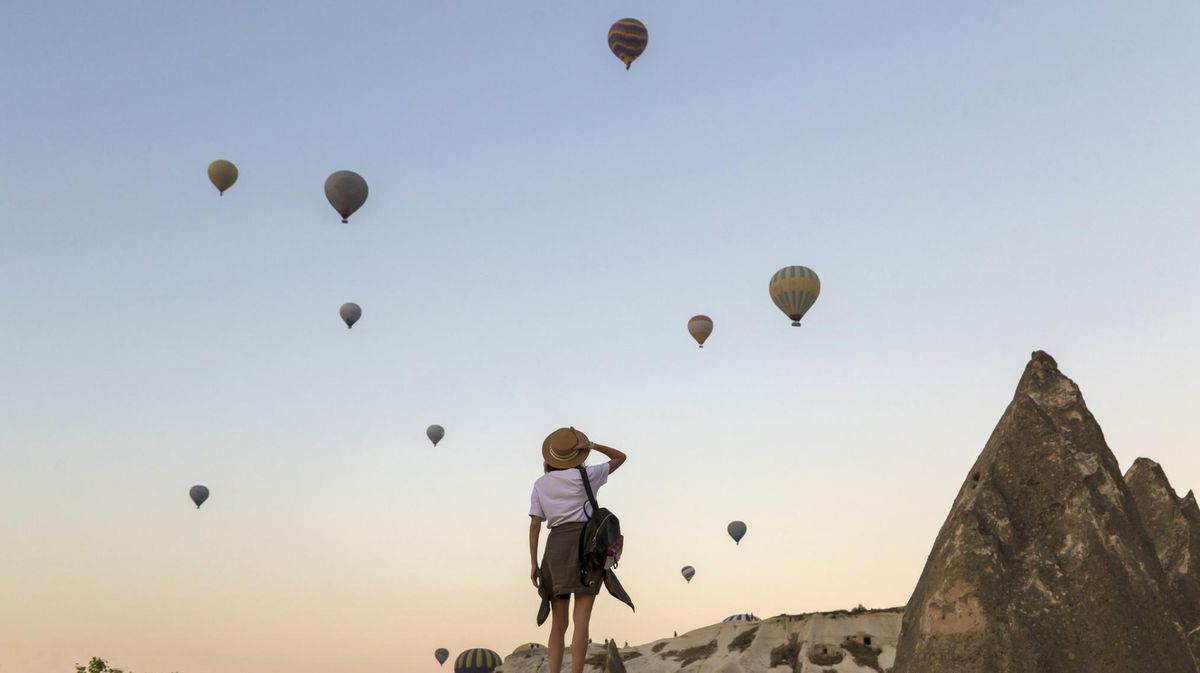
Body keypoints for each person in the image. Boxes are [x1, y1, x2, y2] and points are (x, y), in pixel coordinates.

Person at [529, 427, 627, 673]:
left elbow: (534, 525)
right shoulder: (588, 476)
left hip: (555, 549)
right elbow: (620, 457)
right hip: (586, 547)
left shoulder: (541, 484)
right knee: (581, 620)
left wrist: (533, 563)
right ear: (577, 454)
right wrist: (592, 445)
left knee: (558, 624)